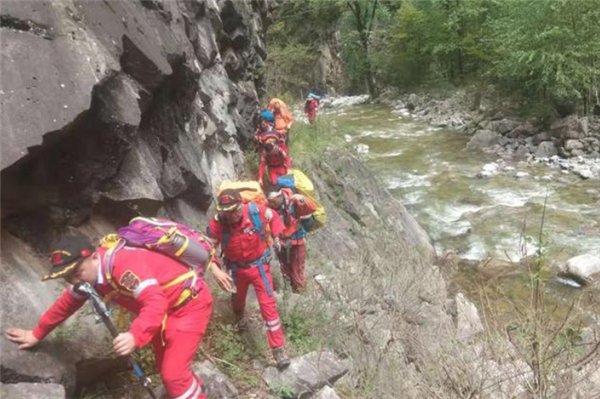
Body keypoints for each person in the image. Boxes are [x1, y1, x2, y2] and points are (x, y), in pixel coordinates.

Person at [5, 234, 212, 399]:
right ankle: (193, 390)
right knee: (166, 367)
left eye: (77, 272)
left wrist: (134, 336)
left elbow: (155, 302)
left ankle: (188, 391)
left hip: (188, 305)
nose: (74, 280)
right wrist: (37, 333)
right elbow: (66, 304)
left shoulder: (122, 266)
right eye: (67, 276)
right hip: (166, 312)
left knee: (173, 375)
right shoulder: (88, 276)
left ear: (94, 257)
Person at [207, 190, 291, 370]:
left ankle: (278, 349)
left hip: (259, 267)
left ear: (241, 205)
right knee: (238, 301)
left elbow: (274, 216)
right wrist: (215, 269)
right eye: (226, 212)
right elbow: (208, 246)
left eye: (234, 211)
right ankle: (239, 316)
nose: (231, 216)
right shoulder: (218, 222)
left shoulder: (255, 211)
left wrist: (277, 236)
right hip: (236, 270)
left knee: (268, 306)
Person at [267, 188, 318, 293]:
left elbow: (312, 208)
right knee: (286, 271)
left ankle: (301, 295)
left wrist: (302, 199)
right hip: (281, 244)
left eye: (273, 201)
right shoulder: (270, 207)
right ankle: (293, 294)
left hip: (296, 243)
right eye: (270, 201)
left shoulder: (293, 203)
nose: (271, 203)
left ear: (279, 196)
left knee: (297, 272)